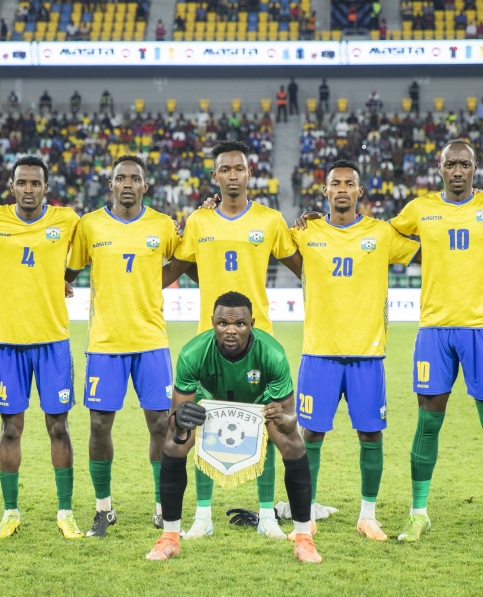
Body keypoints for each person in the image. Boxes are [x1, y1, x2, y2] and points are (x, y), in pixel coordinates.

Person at [163, 141, 307, 538]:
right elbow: (178, 266)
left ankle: (266, 518)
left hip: (259, 342)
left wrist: (316, 228)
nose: (232, 175)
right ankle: (202, 519)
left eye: (238, 169)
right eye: (224, 169)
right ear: (215, 176)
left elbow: (305, 267)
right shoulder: (198, 221)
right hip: (206, 343)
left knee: (269, 427)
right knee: (199, 426)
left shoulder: (271, 220)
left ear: (249, 173)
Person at [388, 140, 483, 544]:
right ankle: (418, 515)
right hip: (434, 330)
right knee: (427, 423)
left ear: (475, 167)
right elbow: (381, 236)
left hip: (482, 330)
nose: (457, 171)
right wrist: (421, 256)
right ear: (440, 167)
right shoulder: (419, 209)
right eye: (450, 164)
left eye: (464, 164)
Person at [290, 160, 419, 541]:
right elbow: (259, 237)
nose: (343, 189)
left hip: (367, 354)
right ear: (325, 191)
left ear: (360, 192)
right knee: (310, 435)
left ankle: (368, 516)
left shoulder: (381, 233)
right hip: (319, 351)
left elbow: (431, 250)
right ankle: (304, 517)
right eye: (335, 183)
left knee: (370, 435)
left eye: (350, 183)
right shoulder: (306, 231)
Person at [146, 291, 321, 563]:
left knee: (294, 444)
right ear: (212, 322)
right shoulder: (193, 353)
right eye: (222, 324)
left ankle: (303, 540)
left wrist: (281, 418)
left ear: (251, 323)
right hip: (210, 409)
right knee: (174, 444)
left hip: (259, 408)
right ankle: (169, 538)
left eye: (239, 324)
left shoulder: (272, 354)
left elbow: (289, 422)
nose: (231, 330)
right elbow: (174, 419)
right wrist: (179, 421)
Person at [64, 156, 178, 536]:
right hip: (105, 342)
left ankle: (163, 506)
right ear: (110, 185)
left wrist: (151, 282)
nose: (127, 183)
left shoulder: (162, 226)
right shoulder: (90, 225)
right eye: (120, 178)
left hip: (151, 341)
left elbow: (187, 260)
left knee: (161, 423)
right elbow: (69, 270)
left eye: (135, 178)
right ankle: (103, 508)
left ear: (146, 185)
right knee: (99, 425)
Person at [0, 156, 82, 540]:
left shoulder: (67, 220)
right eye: (21, 183)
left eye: (35, 183)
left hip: (53, 341)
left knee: (58, 427)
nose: (28, 189)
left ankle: (66, 512)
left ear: (46, 188)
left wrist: (62, 278)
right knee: (11, 428)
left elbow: (90, 248)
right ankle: (10, 513)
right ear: (12, 187)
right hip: (8, 341)